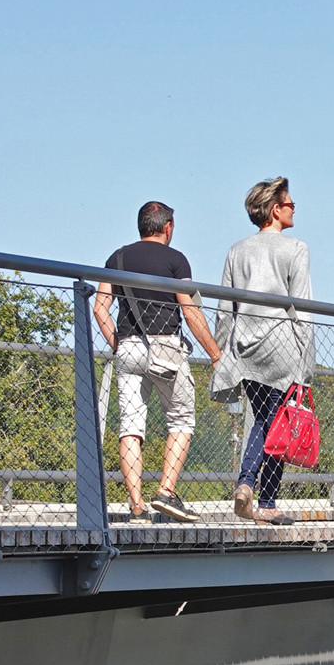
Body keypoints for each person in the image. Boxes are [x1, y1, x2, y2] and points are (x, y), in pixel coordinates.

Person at [93, 201, 223, 523]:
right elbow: (191, 312)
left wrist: (118, 344)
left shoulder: (117, 258)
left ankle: (136, 505)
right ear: (167, 227)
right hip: (166, 347)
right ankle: (165, 492)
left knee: (131, 427)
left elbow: (99, 308)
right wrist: (214, 353)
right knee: (180, 420)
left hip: (128, 348)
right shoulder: (176, 261)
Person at [212, 177, 311, 525]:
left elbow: (226, 308)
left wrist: (221, 350)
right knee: (280, 422)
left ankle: (255, 493)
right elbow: (302, 308)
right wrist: (307, 360)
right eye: (289, 203)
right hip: (282, 345)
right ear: (274, 210)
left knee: (265, 419)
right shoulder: (295, 248)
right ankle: (258, 494)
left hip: (246, 347)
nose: (294, 207)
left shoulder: (237, 250)